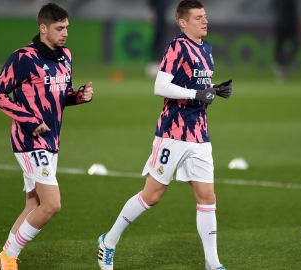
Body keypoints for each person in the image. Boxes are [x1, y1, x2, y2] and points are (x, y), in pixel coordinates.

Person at [96, 1, 232, 270]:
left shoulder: (206, 48)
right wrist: (196, 94)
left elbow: (194, 82)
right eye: (198, 18)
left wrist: (213, 89)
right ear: (183, 22)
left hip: (199, 134)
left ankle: (213, 264)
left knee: (207, 197)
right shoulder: (177, 46)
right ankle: (108, 241)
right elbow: (160, 85)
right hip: (172, 132)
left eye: (205, 16)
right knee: (152, 195)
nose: (205, 21)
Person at [0, 3, 93, 269]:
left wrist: (79, 96)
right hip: (29, 141)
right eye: (59, 28)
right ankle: (7, 258)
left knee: (33, 204)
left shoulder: (65, 55)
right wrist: (29, 120)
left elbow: (60, 95)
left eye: (67, 27)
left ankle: (3, 260)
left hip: (51, 140)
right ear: (43, 28)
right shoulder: (23, 58)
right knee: (51, 204)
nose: (65, 33)